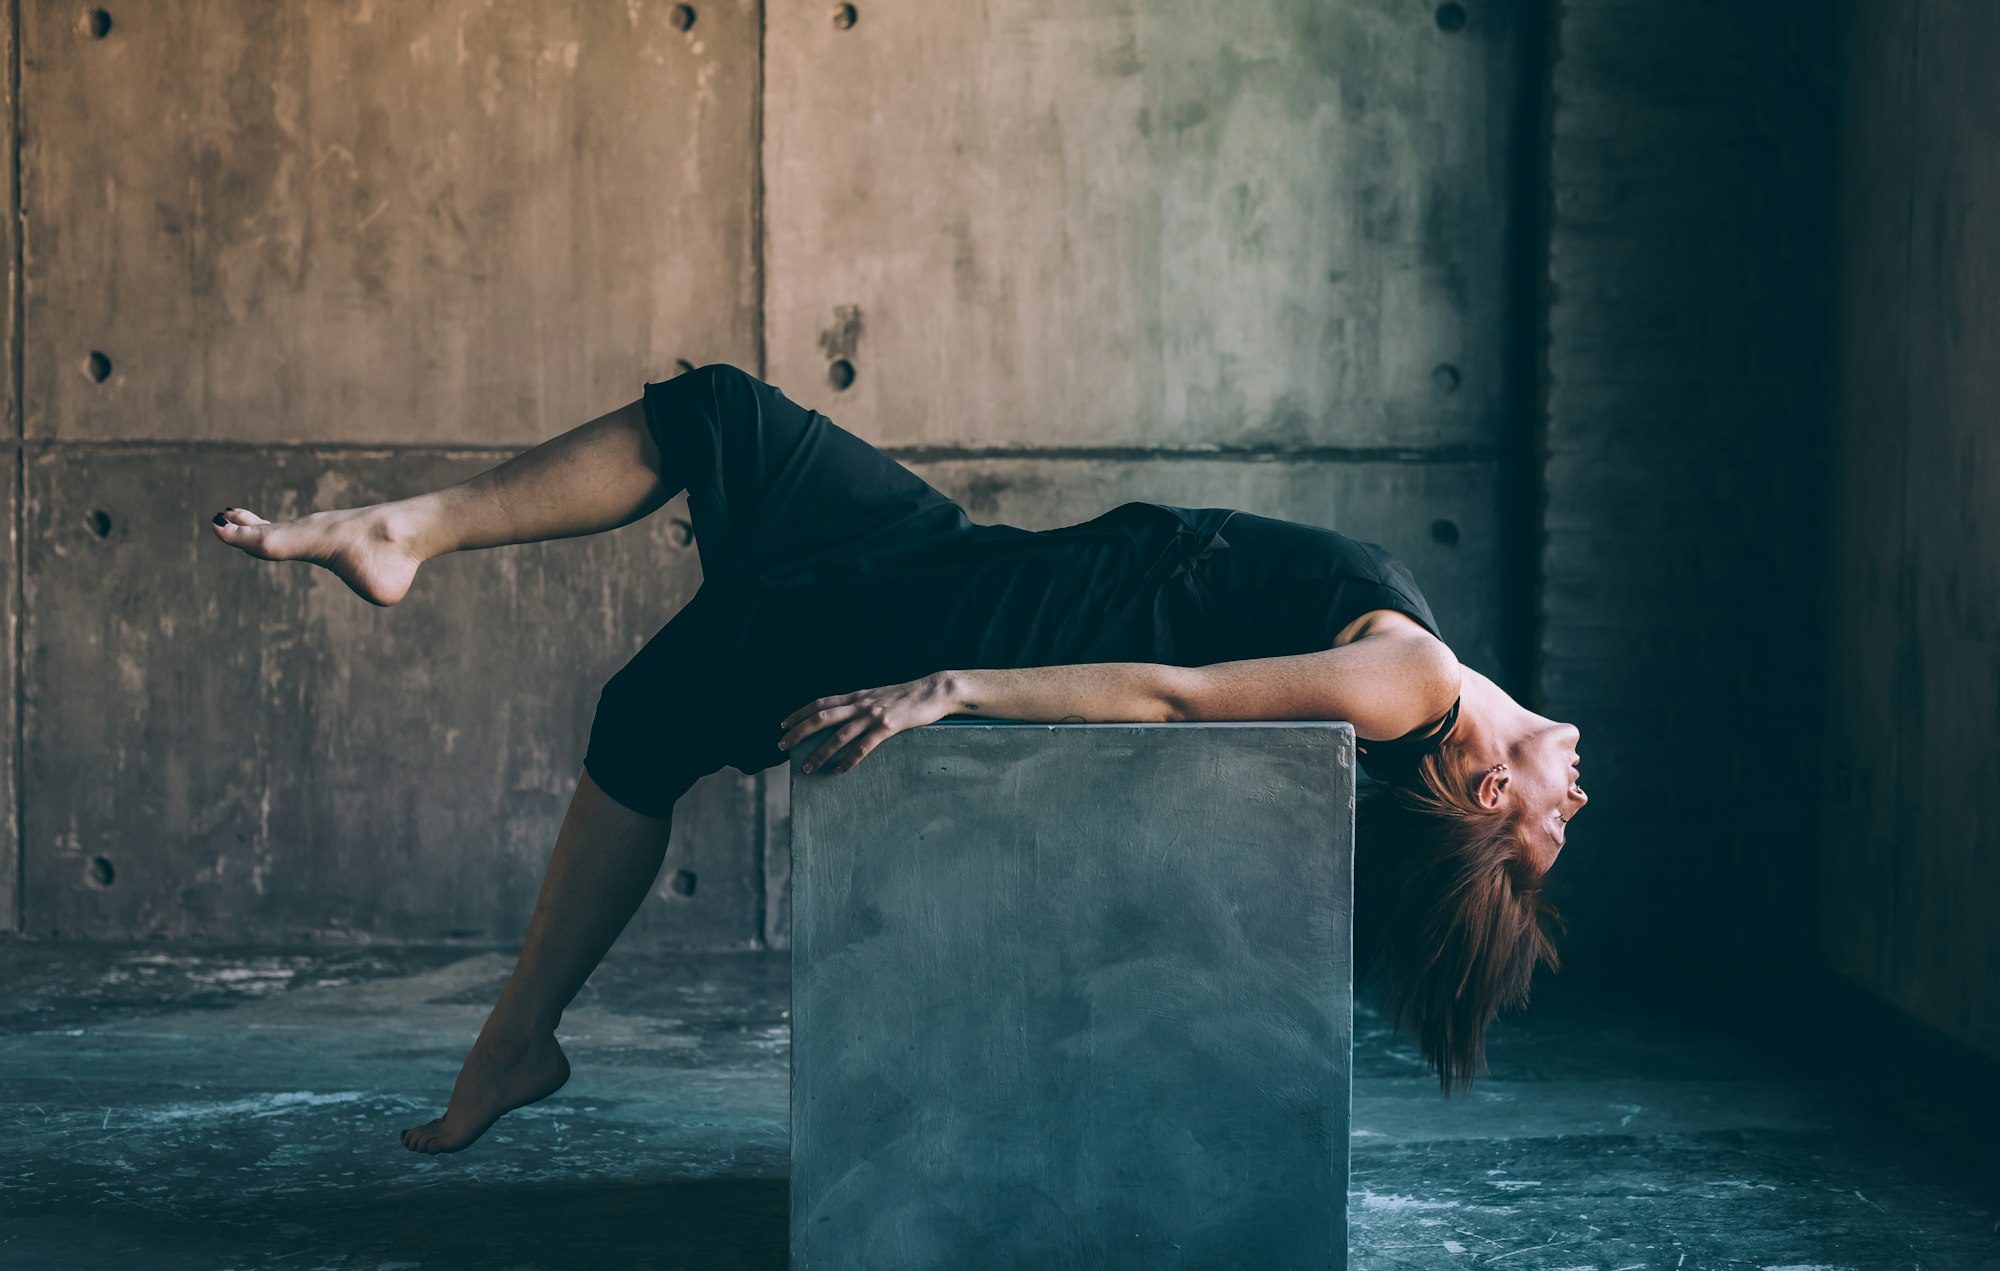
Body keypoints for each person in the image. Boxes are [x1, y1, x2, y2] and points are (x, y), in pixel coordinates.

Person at [210, 363, 1586, 1154]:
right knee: (673, 619)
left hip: (989, 619)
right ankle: (514, 1036)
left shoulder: (1414, 685)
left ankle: (515, 1036)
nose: (1576, 794)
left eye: (1552, 825)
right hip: (984, 570)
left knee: (684, 611)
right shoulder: (1415, 668)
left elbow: (1173, 695)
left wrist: (956, 686)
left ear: (1483, 787)